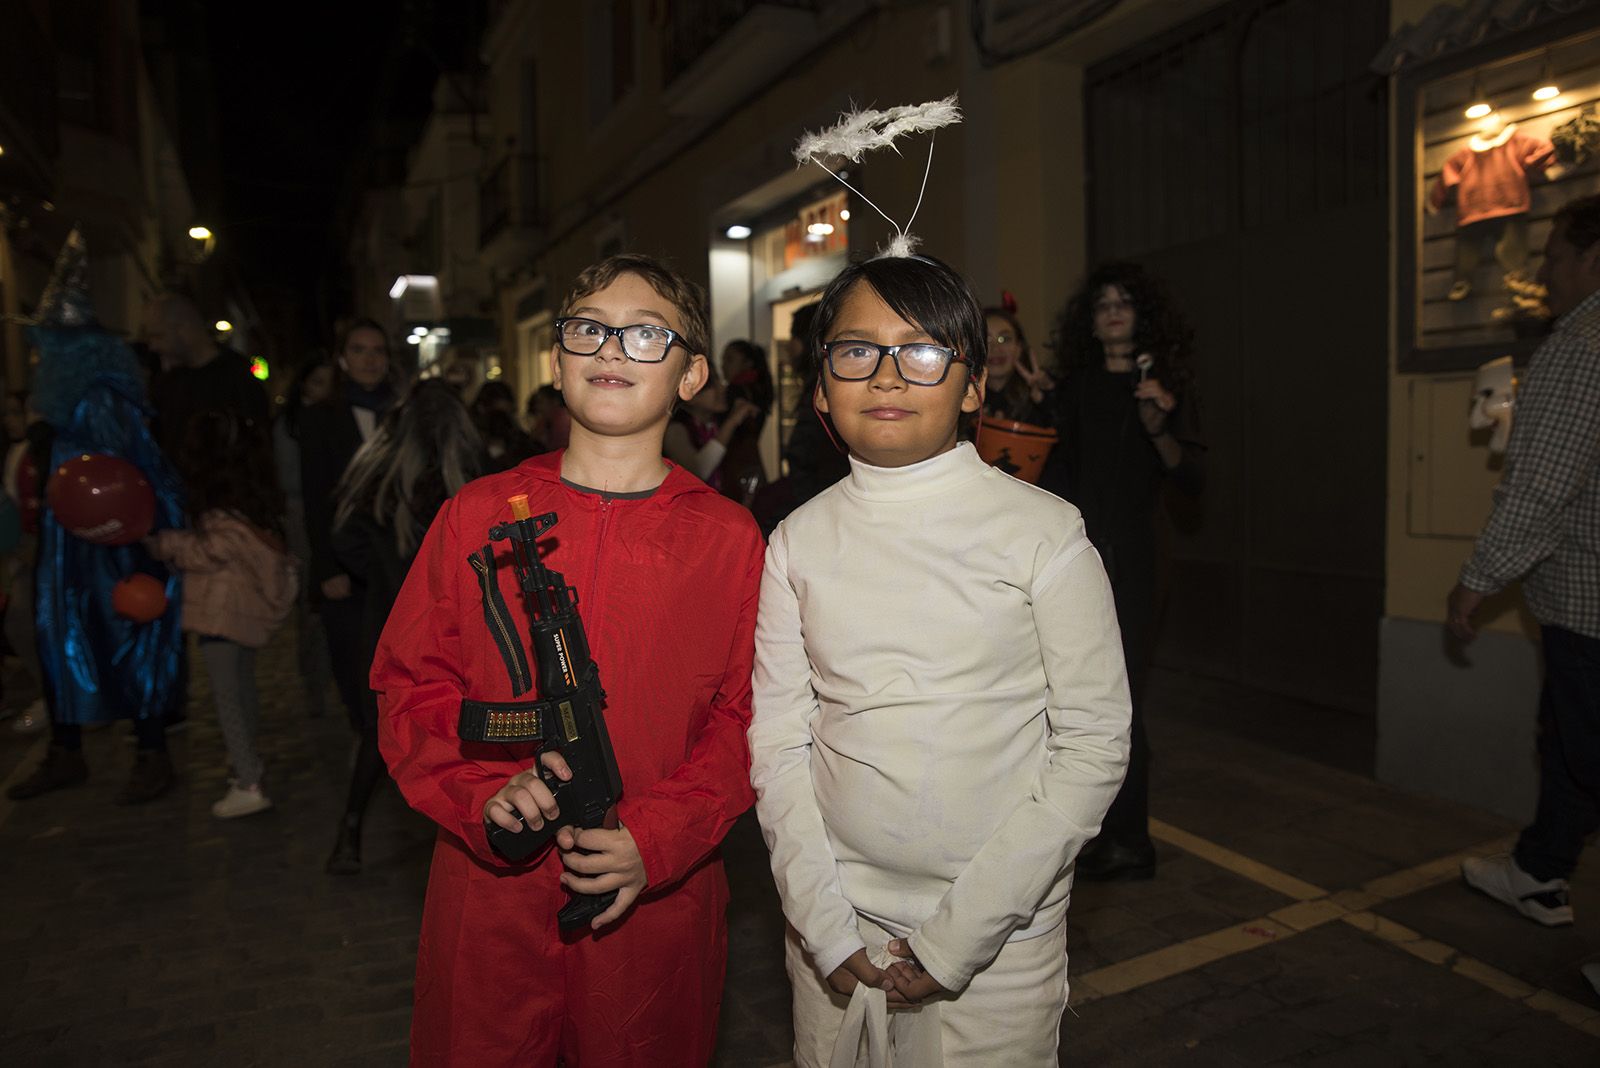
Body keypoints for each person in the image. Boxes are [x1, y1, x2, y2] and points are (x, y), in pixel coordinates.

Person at [371, 253, 764, 1065]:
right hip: (490, 897)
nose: (611, 350)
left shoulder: (729, 538)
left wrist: (653, 839)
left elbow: (750, 721)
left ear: (692, 375)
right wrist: (481, 794)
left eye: (645, 334)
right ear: (559, 360)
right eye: (589, 329)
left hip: (652, 899)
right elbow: (412, 686)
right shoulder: (476, 515)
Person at [749, 254, 1131, 1066]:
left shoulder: (1043, 533)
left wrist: (956, 939)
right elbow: (779, 741)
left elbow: (1093, 745)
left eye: (922, 352)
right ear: (821, 387)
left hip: (997, 936)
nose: (887, 375)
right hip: (835, 929)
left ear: (972, 386)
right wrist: (820, 922)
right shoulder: (796, 541)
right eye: (856, 351)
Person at [1450, 193, 1600, 927]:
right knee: (1568, 741)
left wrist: (1476, 581)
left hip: (1590, 600)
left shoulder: (1580, 344)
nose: (1545, 271)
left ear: (1591, 259)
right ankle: (1541, 871)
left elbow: (1543, 487)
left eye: (1553, 256)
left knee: (1587, 749)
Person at [1038, 261, 1205, 882]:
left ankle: (1131, 838)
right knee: (1068, 694)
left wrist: (1159, 426)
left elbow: (1190, 478)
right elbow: (1049, 473)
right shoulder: (1074, 388)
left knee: (1121, 697)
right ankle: (1085, 829)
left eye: (1125, 302)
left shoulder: (1163, 388)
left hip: (1136, 558)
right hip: (1078, 557)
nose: (1112, 310)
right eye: (1103, 302)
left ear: (1143, 316)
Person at [6, 230, 186, 805]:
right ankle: (66, 749)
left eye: (47, 345)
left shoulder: (103, 396)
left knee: (127, 635)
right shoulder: (62, 404)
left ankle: (151, 751)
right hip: (67, 545)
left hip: (115, 543)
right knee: (61, 635)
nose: (40, 358)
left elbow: (135, 472)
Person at [325, 380, 483, 874]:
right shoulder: (471, 483)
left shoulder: (378, 481)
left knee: (381, 729)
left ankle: (350, 830)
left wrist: (380, 570)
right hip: (459, 625)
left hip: (389, 622)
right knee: (464, 723)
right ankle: (467, 826)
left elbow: (343, 541)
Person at [146, 411, 297, 818]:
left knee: (228, 700)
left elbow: (212, 549)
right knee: (242, 692)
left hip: (221, 614)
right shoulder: (252, 501)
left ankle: (248, 780)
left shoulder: (221, 508)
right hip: (238, 615)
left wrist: (167, 546)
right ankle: (247, 769)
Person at [300, 319, 401, 732]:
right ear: (343, 359)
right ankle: (368, 743)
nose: (370, 359)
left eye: (377, 350)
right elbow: (315, 496)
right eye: (359, 350)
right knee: (353, 662)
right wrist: (327, 567)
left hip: (395, 560)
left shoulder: (401, 412)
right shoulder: (321, 417)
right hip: (346, 562)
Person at [274, 358, 336, 719]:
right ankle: (313, 681)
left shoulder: (336, 421)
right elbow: (293, 481)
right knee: (310, 609)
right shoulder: (292, 426)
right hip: (301, 520)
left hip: (330, 518)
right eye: (316, 382)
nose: (322, 390)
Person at [142, 292, 270, 461]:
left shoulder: (237, 377)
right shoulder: (167, 381)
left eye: (158, 336)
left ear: (183, 328)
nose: (153, 346)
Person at [3, 390, 48, 734]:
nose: (12, 421)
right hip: (22, 545)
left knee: (28, 619)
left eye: (17, 413)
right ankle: (48, 689)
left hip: (40, 543)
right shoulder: (14, 453)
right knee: (19, 622)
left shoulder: (41, 450)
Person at [662, 363, 759, 489]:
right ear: (689, 392)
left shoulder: (716, 423)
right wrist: (731, 423)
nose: (722, 388)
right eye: (712, 384)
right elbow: (697, 472)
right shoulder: (675, 430)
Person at [980, 303, 1053, 425]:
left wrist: (1047, 400)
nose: (996, 349)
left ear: (1019, 348)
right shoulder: (962, 399)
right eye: (986, 340)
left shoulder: (1036, 397)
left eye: (1004, 339)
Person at [720, 339, 775, 497]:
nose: (723, 365)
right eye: (722, 360)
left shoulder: (735, 392)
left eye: (729, 359)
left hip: (733, 467)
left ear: (748, 363)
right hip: (754, 463)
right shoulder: (760, 389)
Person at [469, 380, 535, 473]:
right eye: (495, 416)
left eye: (505, 416)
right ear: (481, 409)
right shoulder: (470, 441)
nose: (499, 423)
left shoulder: (523, 442)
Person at [524, 384, 570, 453]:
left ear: (554, 401)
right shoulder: (550, 418)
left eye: (541, 401)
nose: (538, 406)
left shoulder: (561, 419)